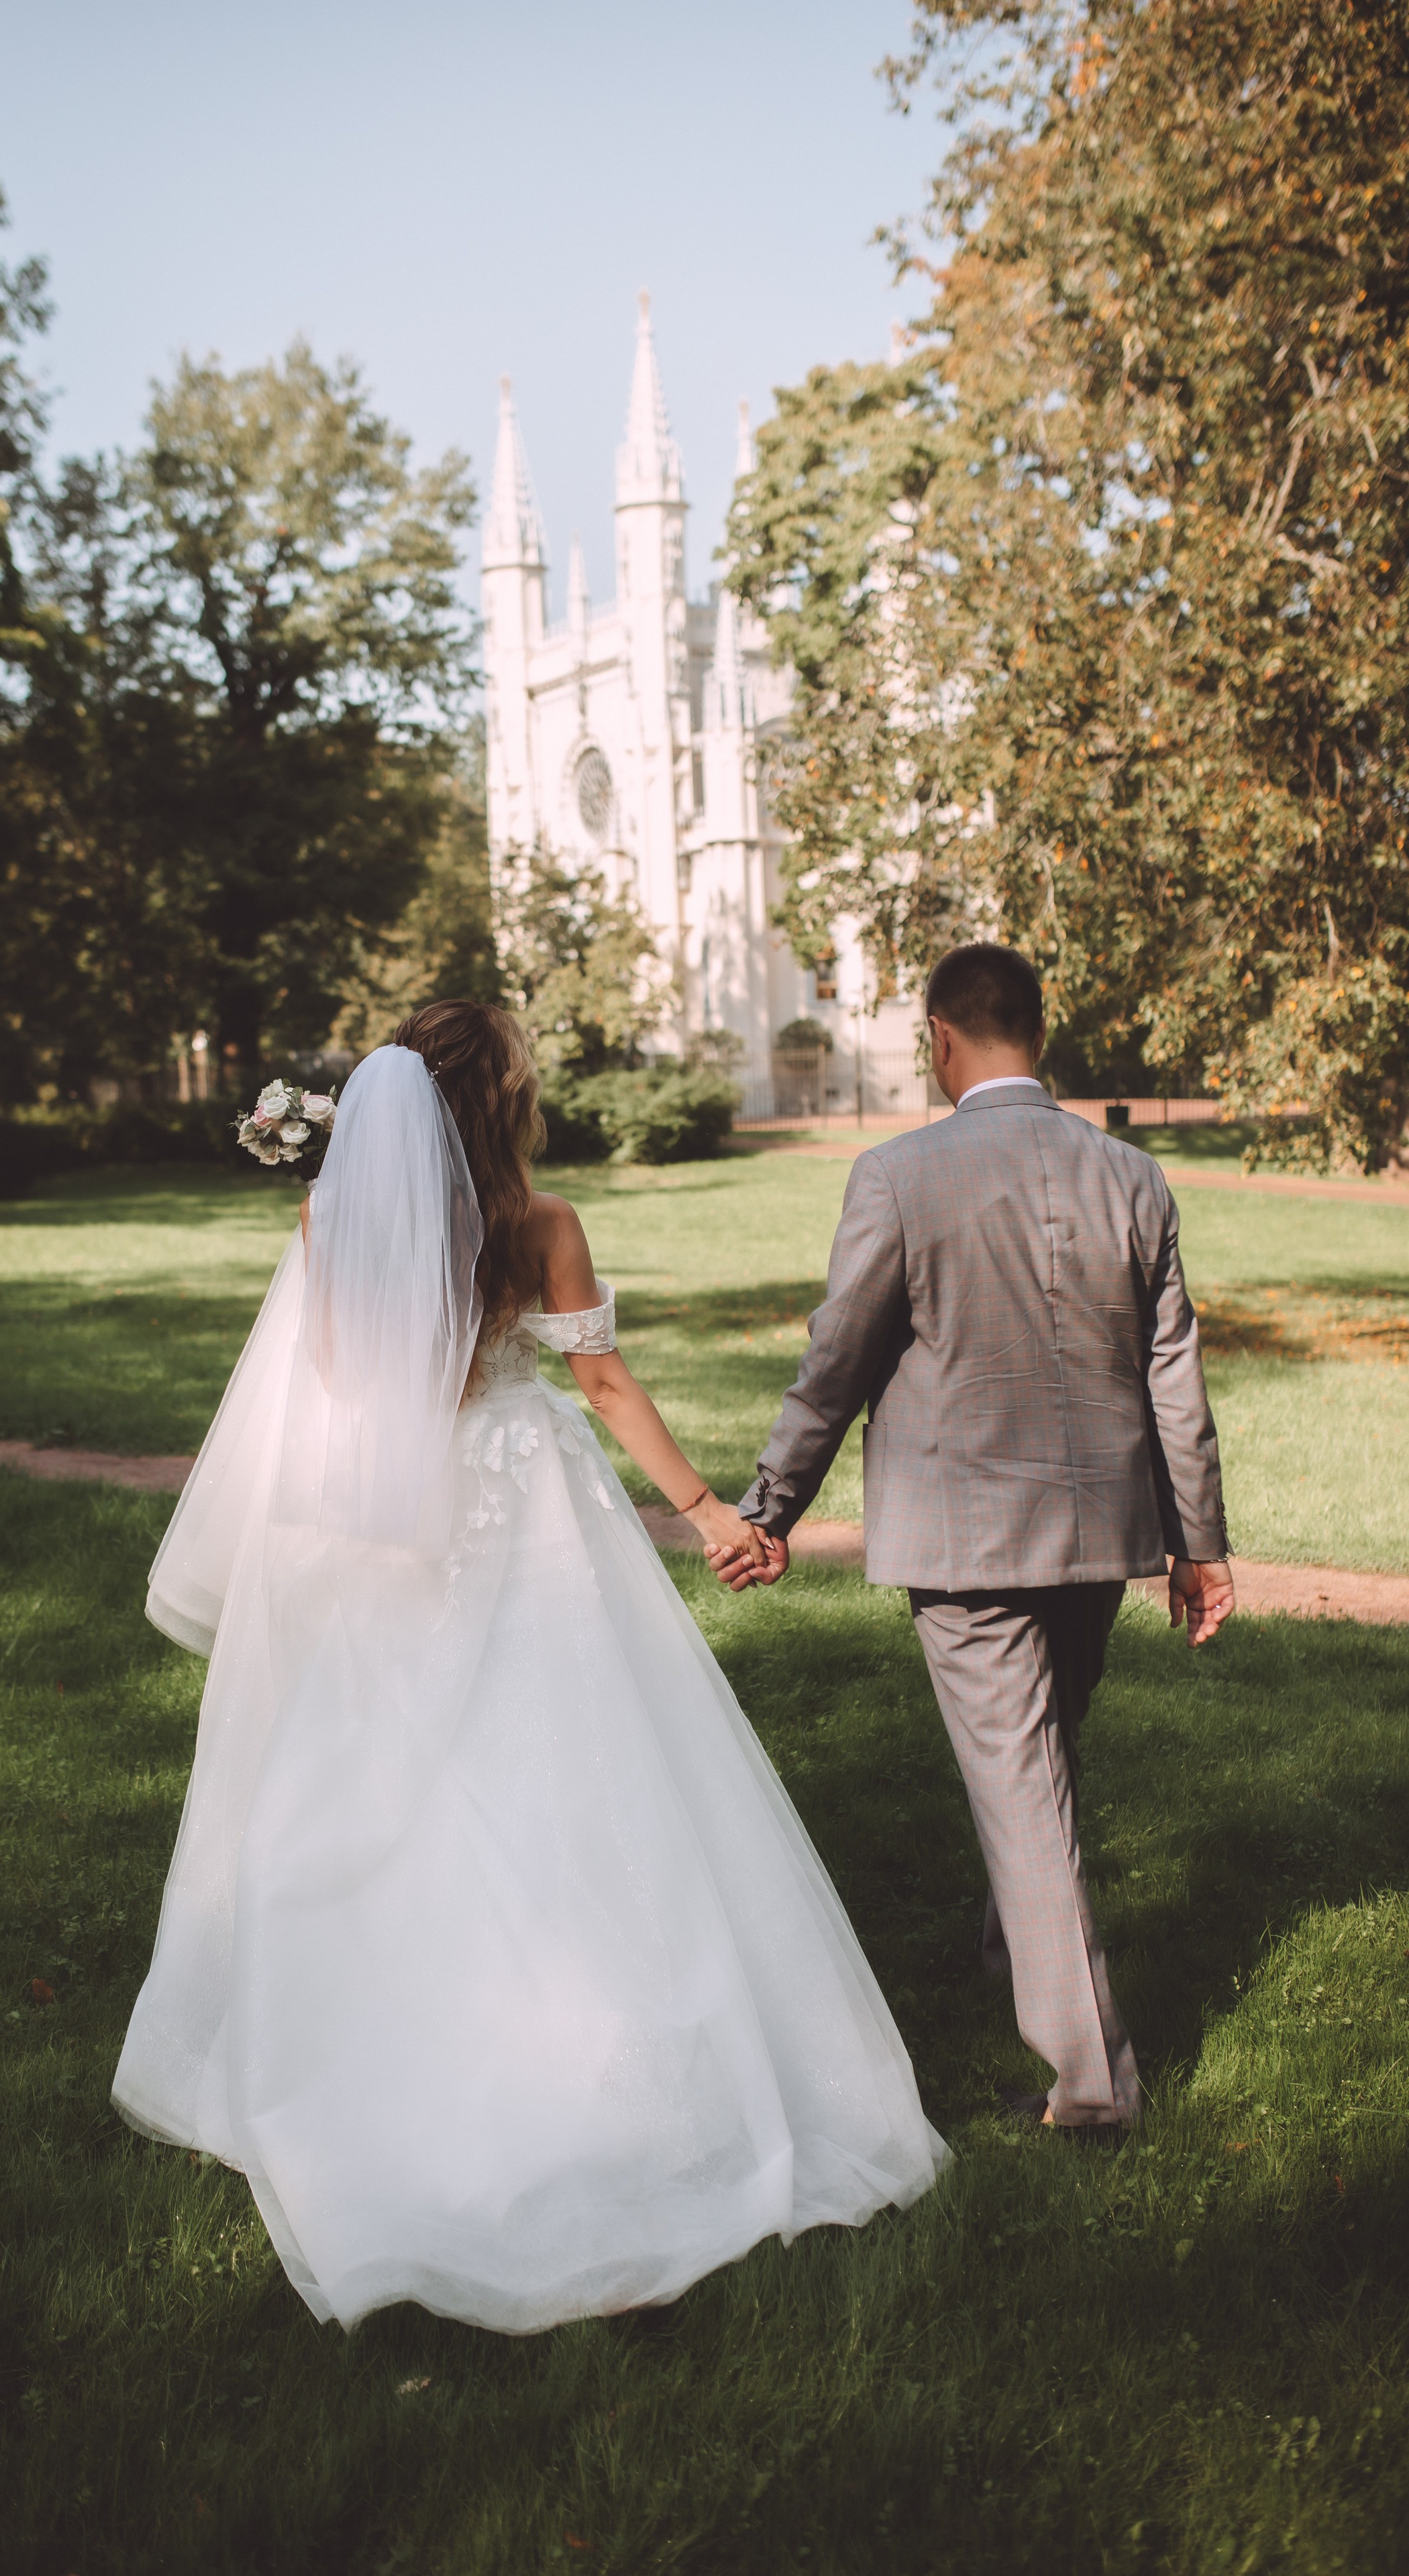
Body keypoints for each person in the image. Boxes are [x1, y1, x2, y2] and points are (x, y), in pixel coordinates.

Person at [113, 1002, 945, 2332]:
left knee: (392, 1769)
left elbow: (335, 1382)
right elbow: (602, 1386)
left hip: (390, 1515)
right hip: (524, 1497)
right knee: (568, 1758)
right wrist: (710, 1514)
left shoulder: (331, 1220)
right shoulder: (541, 1225)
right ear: (497, 1098)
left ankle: (388, 2039)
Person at [713, 945, 1233, 2141]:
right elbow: (1174, 1373)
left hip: (966, 1546)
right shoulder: (1134, 1174)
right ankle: (1023, 1963)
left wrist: (770, 1505)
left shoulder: (898, 1176)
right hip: (1099, 1534)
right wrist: (1197, 1542)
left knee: (1024, 1791)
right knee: (1037, 1774)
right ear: (1037, 1035)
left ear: (940, 1038)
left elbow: (836, 1362)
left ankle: (1092, 2090)